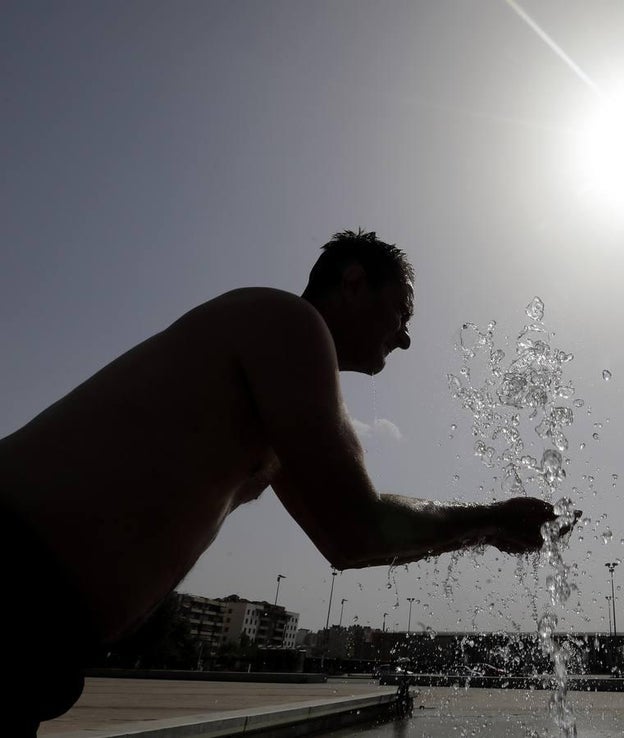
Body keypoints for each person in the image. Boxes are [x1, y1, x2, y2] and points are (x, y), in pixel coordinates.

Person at [0, 229, 562, 733]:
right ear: (354, 282)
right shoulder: (287, 321)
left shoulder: (285, 393)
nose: (406, 338)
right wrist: (491, 521)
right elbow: (360, 524)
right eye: (401, 312)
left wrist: (488, 527)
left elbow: (345, 542)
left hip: (42, 624)